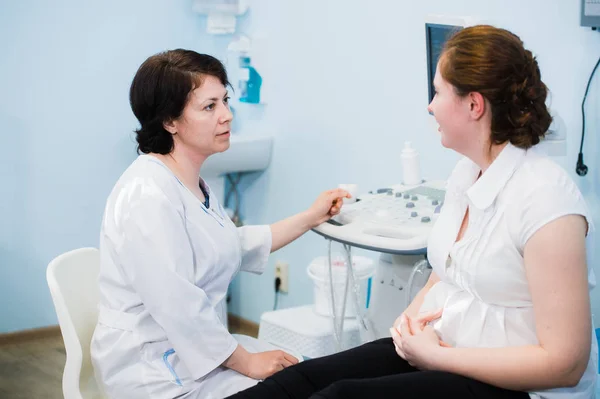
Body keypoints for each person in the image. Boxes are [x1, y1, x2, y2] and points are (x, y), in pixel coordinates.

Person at [226, 25, 597, 399]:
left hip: (515, 386)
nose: (430, 106)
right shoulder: (467, 172)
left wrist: (438, 358)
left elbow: (565, 364)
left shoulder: (545, 199)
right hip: (442, 350)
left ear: (474, 105)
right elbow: (446, 272)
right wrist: (407, 327)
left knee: (338, 397)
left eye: (437, 92)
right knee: (297, 381)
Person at [90, 49, 351, 399]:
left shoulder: (189, 182)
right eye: (209, 107)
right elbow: (176, 303)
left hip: (195, 354)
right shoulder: (147, 195)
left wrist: (311, 216)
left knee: (306, 375)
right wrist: (247, 362)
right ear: (170, 121)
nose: (227, 116)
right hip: (153, 371)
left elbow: (231, 245)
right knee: (297, 388)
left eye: (225, 101)